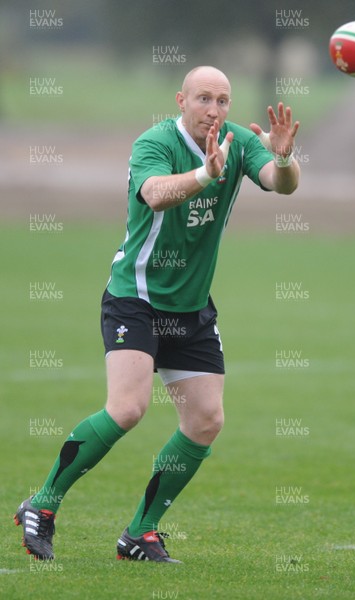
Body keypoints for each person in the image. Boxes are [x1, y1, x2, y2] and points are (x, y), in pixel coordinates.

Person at [14, 65, 300, 563]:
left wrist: (285, 157)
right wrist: (206, 173)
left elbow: (281, 183)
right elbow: (154, 193)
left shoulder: (235, 140)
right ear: (181, 100)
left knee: (205, 420)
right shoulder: (154, 141)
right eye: (204, 98)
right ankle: (43, 505)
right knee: (128, 408)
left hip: (191, 308)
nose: (214, 110)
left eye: (223, 100)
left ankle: (139, 534)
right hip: (136, 297)